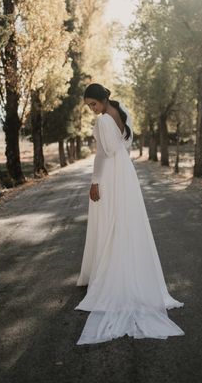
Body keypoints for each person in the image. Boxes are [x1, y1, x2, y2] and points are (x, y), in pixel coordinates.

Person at [74, 83, 184, 345]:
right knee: (124, 221)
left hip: (111, 175)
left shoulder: (102, 121)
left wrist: (94, 181)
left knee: (110, 221)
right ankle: (123, 268)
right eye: (89, 106)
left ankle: (109, 274)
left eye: (93, 104)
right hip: (126, 173)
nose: (92, 110)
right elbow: (125, 146)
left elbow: (102, 154)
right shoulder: (122, 111)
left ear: (102, 100)